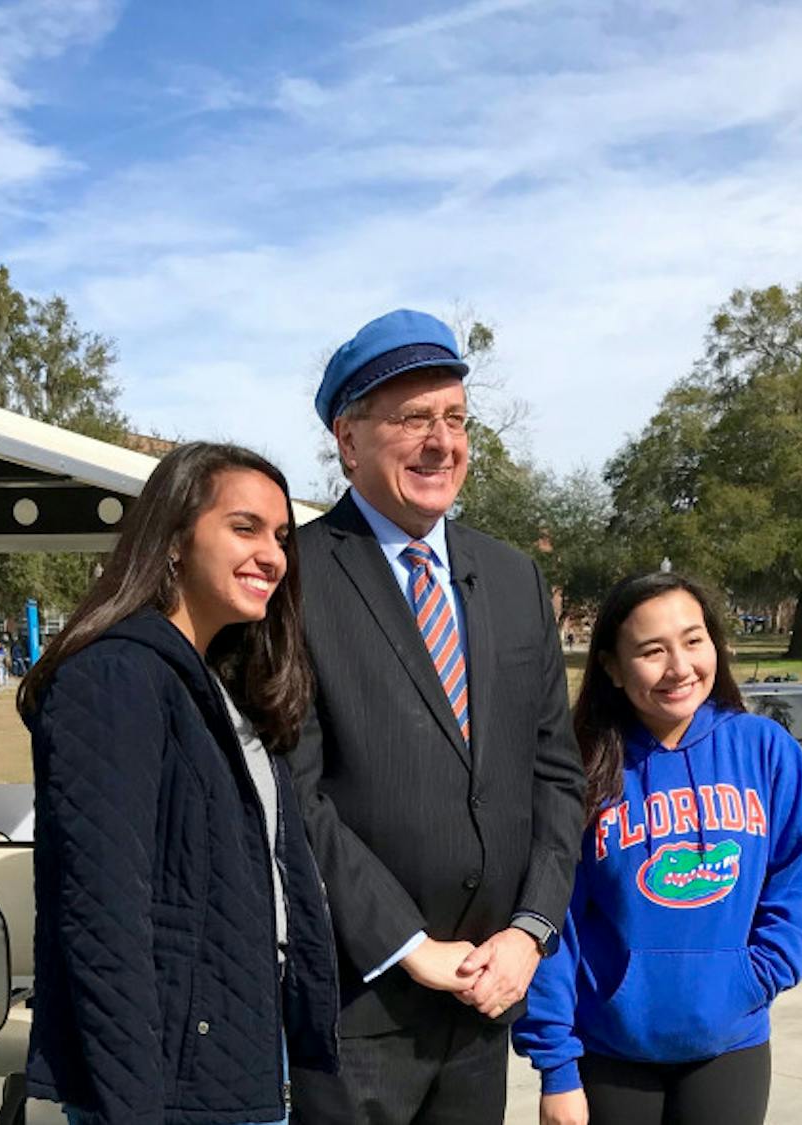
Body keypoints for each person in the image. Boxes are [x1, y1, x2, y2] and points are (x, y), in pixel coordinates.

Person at [289, 309, 585, 1124]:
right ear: (348, 439)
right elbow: (294, 794)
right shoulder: (294, 578)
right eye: (413, 418)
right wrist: (410, 947)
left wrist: (528, 931)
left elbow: (556, 774)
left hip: (486, 1001)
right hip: (360, 1008)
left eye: (455, 418)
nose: (441, 442)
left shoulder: (514, 576)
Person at [17, 442, 339, 1124]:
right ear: (171, 540)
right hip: (167, 1087)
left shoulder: (221, 687)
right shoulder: (115, 677)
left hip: (241, 1061)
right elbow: (102, 918)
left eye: (281, 537)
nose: (274, 555)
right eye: (245, 527)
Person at [514, 572, 802, 1125]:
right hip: (609, 1051)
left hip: (729, 1044)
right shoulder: (581, 766)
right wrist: (557, 1066)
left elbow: (801, 877)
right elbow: (550, 922)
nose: (680, 668)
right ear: (612, 666)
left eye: (693, 640)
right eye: (652, 651)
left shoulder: (765, 750)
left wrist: (753, 977)